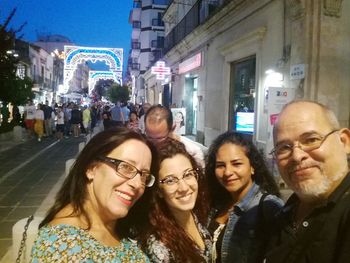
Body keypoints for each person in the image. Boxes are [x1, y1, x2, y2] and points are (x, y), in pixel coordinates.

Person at [31, 127, 158, 262]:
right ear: (91, 168)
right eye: (125, 167)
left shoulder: (113, 222)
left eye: (144, 175)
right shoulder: (63, 248)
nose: (138, 184)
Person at [263, 100, 350, 263]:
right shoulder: (289, 208)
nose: (296, 156)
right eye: (284, 148)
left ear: (344, 141)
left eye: (311, 140)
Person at [206, 131, 284, 263]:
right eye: (220, 165)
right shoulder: (216, 203)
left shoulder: (269, 207)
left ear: (252, 166)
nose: (228, 172)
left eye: (236, 164)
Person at [136, 138, 212, 262]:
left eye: (188, 175)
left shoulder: (197, 212)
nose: (184, 187)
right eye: (170, 180)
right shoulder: (159, 245)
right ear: (159, 191)